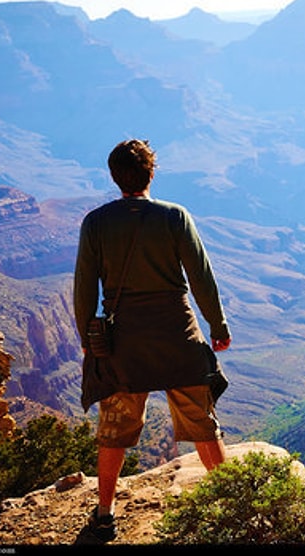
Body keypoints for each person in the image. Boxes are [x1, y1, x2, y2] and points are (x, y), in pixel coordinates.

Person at [73, 138, 231, 542]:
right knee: (203, 424)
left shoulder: (96, 223)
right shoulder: (174, 217)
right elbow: (201, 277)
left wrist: (88, 338)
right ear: (151, 173)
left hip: (124, 344)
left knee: (114, 429)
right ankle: (233, 506)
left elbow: (84, 288)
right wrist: (218, 326)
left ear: (114, 177)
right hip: (178, 336)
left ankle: (104, 513)